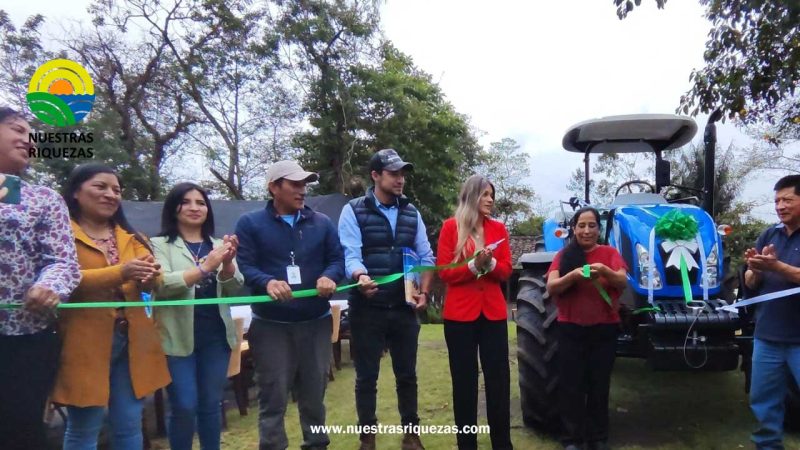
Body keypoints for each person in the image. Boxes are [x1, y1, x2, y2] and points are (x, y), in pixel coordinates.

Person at [51, 163, 171, 450]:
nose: (111, 194)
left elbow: (153, 281)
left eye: (116, 190)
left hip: (134, 342)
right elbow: (63, 279)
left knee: (130, 425)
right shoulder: (60, 234)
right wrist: (122, 272)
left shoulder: (132, 237)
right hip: (83, 344)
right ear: (76, 192)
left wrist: (149, 277)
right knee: (84, 428)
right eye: (100, 186)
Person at [235, 160, 344, 450]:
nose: (302, 190)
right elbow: (245, 265)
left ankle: (317, 445)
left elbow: (337, 259)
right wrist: (267, 281)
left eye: (304, 184)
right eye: (295, 184)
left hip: (316, 323)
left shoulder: (322, 223)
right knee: (272, 398)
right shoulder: (250, 224)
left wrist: (329, 276)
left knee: (314, 397)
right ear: (274, 187)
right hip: (271, 327)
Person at [338, 148, 434, 450]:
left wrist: (424, 293)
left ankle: (411, 436)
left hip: (404, 308)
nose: (400, 179)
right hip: (367, 308)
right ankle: (367, 439)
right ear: (375, 175)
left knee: (407, 376)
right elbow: (350, 254)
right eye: (393, 173)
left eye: (402, 173)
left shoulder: (412, 212)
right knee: (366, 377)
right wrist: (360, 277)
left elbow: (426, 256)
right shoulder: (353, 210)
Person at [0, 107, 81, 450]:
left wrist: (49, 285)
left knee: (20, 429)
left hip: (26, 337)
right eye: (17, 130)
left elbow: (63, 261)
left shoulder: (42, 198)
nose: (27, 140)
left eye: (30, 135)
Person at [151, 182, 244, 450]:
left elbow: (235, 286)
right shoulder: (158, 245)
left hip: (215, 337)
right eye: (186, 202)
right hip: (176, 339)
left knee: (211, 405)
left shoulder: (219, 244)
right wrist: (205, 268)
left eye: (201, 203)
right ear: (173, 208)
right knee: (184, 405)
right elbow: (162, 284)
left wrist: (227, 264)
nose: (195, 208)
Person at [437, 175, 514, 450]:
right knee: (464, 383)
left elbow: (506, 270)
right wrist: (473, 266)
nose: (490, 200)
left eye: (492, 194)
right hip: (460, 317)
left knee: (498, 382)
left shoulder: (499, 228)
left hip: (493, 315)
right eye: (485, 194)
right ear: (471, 196)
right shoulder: (450, 227)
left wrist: (489, 264)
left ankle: (502, 444)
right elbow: (444, 272)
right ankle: (466, 444)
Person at [545, 206, 627, 450]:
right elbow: (552, 286)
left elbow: (622, 281)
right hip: (570, 329)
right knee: (572, 385)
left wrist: (605, 270)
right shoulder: (564, 256)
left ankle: (598, 437)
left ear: (599, 229)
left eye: (592, 225)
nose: (587, 230)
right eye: (581, 225)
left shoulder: (610, 253)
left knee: (599, 385)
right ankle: (572, 438)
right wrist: (573, 276)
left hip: (604, 329)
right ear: (574, 229)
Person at [744, 174, 800, 450]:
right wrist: (755, 270)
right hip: (767, 336)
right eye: (777, 201)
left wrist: (776, 267)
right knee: (764, 401)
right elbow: (750, 282)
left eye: (787, 200)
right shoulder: (769, 234)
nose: (780, 206)